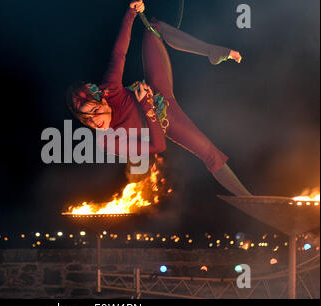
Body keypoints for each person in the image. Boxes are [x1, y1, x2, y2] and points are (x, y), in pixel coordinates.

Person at [66, 1, 251, 196]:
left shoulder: (110, 89)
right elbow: (158, 145)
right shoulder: (107, 141)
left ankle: (212, 51)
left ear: (103, 99)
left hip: (159, 94)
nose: (94, 122)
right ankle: (249, 200)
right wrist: (146, 106)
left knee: (154, 29)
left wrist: (131, 13)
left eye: (94, 112)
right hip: (165, 120)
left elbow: (119, 52)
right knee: (210, 155)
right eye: (87, 120)